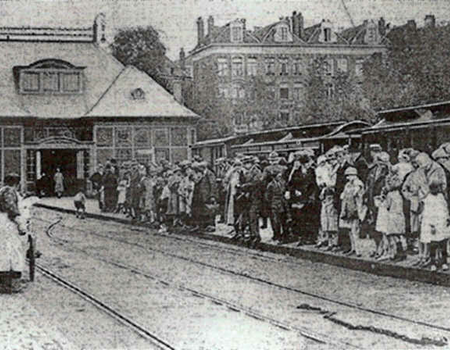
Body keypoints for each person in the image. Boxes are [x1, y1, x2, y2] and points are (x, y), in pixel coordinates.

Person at [0, 173, 29, 292]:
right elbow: (11, 208)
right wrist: (20, 224)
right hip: (8, 225)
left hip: (4, 223)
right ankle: (10, 284)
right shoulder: (9, 192)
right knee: (12, 252)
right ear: (16, 183)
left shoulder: (3, 190)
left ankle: (5, 283)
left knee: (5, 251)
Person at [339, 167, 366, 257]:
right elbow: (343, 195)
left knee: (355, 230)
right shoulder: (348, 184)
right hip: (348, 209)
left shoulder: (358, 183)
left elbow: (354, 193)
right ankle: (353, 248)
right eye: (347, 176)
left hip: (356, 208)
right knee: (350, 230)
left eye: (350, 176)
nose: (348, 178)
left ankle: (358, 250)